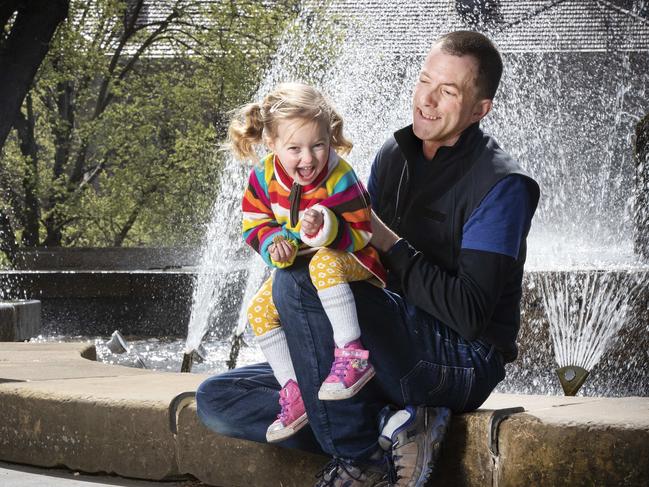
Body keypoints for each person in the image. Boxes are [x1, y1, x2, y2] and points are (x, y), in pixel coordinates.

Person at [196, 31, 540, 487]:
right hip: (376, 344)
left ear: (480, 109)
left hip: (459, 360)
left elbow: (470, 314)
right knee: (219, 397)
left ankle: (360, 461)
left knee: (298, 283)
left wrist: (383, 237)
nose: (428, 100)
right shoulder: (394, 154)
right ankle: (397, 427)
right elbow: (352, 254)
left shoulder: (503, 185)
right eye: (424, 82)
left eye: (449, 91)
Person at [227, 83, 387, 444]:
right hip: (304, 264)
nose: (309, 158)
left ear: (329, 138)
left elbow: (362, 231)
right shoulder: (264, 177)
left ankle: (352, 355)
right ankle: (293, 390)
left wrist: (326, 225)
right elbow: (254, 223)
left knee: (323, 265)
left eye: (318, 145)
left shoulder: (339, 176)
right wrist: (274, 244)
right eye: (294, 148)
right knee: (259, 311)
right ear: (272, 145)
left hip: (354, 258)